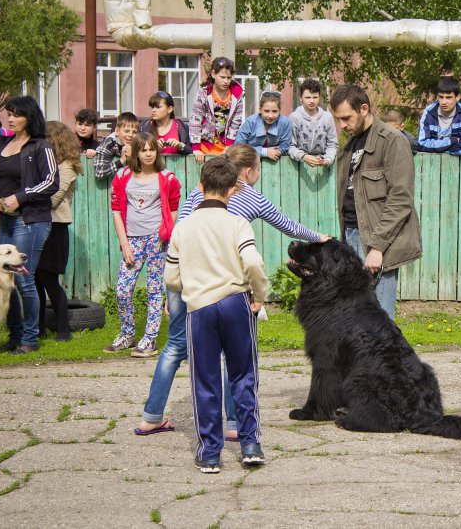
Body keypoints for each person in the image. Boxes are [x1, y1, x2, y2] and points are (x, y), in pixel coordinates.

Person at [135, 143, 328, 441]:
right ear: (249, 172)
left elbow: (179, 234)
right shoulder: (251, 197)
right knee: (232, 353)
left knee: (174, 347)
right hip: (223, 284)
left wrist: (170, 290)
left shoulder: (200, 191)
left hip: (186, 277)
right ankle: (235, 423)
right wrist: (318, 237)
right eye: (258, 170)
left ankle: (151, 417)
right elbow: (286, 225)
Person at [163, 155, 269, 473]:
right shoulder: (238, 223)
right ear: (233, 190)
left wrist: (190, 286)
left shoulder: (183, 227)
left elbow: (170, 278)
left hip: (200, 308)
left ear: (200, 186)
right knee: (243, 375)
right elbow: (252, 263)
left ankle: (210, 453)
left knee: (205, 380)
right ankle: (250, 444)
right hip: (236, 302)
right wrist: (258, 295)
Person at [330, 84, 422, 320]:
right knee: (355, 320)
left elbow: (401, 198)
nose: (342, 125)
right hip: (351, 237)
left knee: (379, 323)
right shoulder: (350, 146)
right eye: (338, 120)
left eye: (346, 118)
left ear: (364, 108)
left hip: (378, 242)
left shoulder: (391, 140)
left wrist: (377, 248)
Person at [0, 96, 58, 354]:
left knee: (24, 280)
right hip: (6, 221)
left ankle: (30, 339)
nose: (10, 118)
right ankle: (14, 336)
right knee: (5, 280)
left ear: (29, 117)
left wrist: (20, 197)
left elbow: (51, 181)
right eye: (9, 114)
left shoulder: (41, 146)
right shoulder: (1, 144)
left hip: (31, 220)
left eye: (16, 114)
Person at [104, 133, 181, 356]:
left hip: (157, 240)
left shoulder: (167, 178)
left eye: (152, 149)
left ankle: (150, 339)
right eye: (143, 149)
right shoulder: (122, 176)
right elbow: (116, 211)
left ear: (157, 152)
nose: (148, 153)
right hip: (133, 241)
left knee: (155, 290)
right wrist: (124, 243)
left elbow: (174, 207)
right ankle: (127, 334)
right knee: (122, 290)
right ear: (136, 152)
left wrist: (163, 232)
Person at [36, 121, 82, 342]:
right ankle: (39, 328)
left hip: (55, 227)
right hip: (36, 224)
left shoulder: (67, 167)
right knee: (34, 279)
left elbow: (54, 198)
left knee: (48, 278)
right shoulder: (44, 165)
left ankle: (64, 331)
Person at [188, 56, 244, 164]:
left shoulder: (237, 95)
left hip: (226, 150)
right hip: (204, 149)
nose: (226, 81)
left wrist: (229, 146)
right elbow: (195, 119)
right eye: (222, 77)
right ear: (213, 74)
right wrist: (196, 148)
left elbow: (236, 122)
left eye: (229, 77)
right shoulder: (203, 93)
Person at [416, 76, 461, 156]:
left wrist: (435, 148)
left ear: (457, 97)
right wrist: (452, 141)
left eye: (448, 97)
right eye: (441, 97)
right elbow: (421, 144)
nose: (444, 102)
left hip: (458, 165)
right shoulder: (429, 112)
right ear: (437, 97)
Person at [288, 78, 338, 167]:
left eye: (315, 97)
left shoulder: (327, 117)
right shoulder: (294, 117)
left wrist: (327, 160)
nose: (312, 101)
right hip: (298, 166)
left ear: (319, 97)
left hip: (322, 168)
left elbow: (332, 144)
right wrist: (304, 157)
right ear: (301, 98)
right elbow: (290, 146)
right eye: (308, 97)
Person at [234, 91, 292, 160]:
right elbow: (238, 146)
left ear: (279, 110)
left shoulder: (285, 123)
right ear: (260, 110)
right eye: (266, 111)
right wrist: (265, 152)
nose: (270, 116)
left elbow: (284, 147)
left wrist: (274, 152)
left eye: (274, 111)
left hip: (275, 163)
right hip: (249, 160)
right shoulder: (251, 122)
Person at [139, 91, 193, 156]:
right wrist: (154, 148)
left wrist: (181, 146)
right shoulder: (144, 127)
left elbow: (192, 152)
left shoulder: (180, 127)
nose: (153, 110)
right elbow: (137, 152)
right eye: (152, 107)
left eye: (158, 107)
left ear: (169, 109)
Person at [93, 112, 138, 179]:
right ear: (117, 131)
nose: (130, 135)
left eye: (134, 132)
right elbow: (99, 172)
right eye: (126, 131)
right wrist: (122, 160)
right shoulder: (109, 144)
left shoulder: (137, 143)